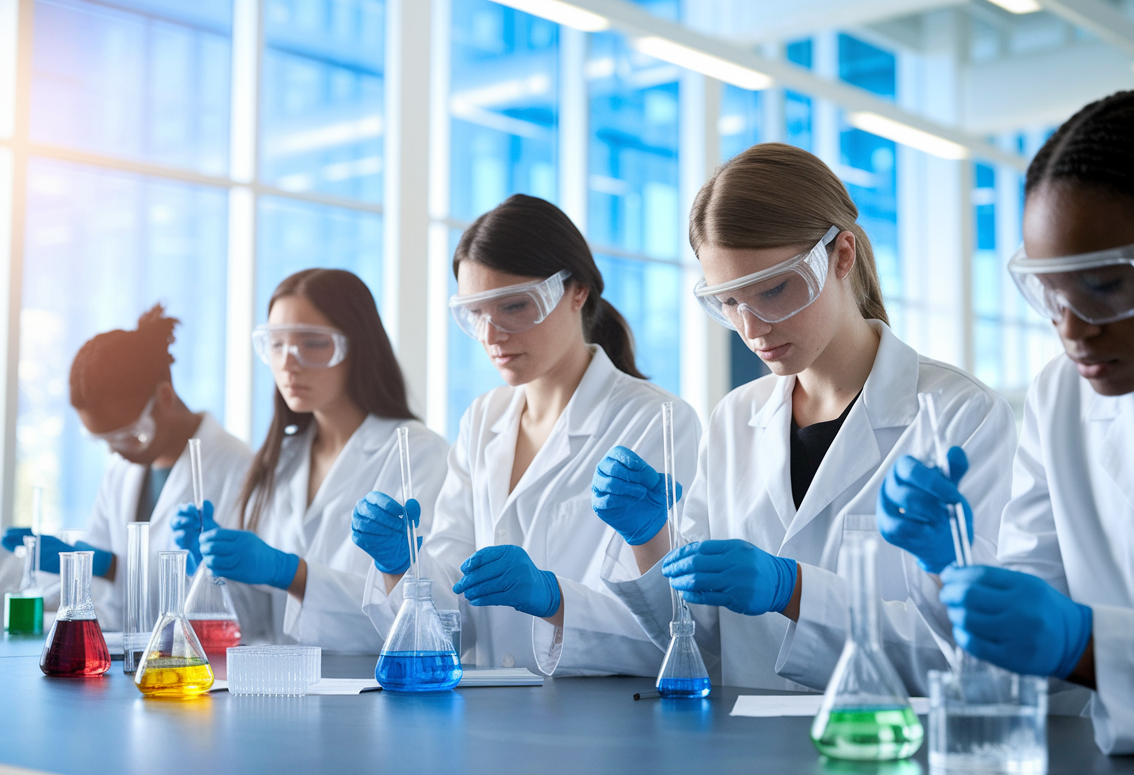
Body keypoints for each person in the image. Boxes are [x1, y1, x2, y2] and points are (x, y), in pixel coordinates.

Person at [888, 90, 1134, 756]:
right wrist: (949, 565)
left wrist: (1089, 645)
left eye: (1104, 284)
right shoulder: (1060, 400)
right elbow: (1034, 650)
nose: (1071, 329)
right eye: (1051, 290)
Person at [591, 143, 1016, 692]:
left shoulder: (961, 415)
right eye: (729, 301)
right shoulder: (734, 418)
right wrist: (650, 539)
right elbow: (701, 639)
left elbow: (975, 650)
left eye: (773, 290)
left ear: (842, 256)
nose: (752, 327)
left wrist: (793, 591)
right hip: (746, 759)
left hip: (885, 755)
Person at [352, 194, 699, 676]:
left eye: (514, 306)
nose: (492, 334)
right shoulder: (482, 418)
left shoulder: (656, 420)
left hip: (605, 723)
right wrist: (402, 567)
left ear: (577, 290)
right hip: (489, 717)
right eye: (475, 313)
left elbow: (673, 628)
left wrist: (552, 599)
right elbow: (456, 609)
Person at [172, 269, 449, 653]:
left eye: (314, 343)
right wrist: (216, 569)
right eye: (277, 345)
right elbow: (263, 623)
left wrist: (291, 573)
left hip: (375, 695)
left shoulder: (418, 453)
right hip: (279, 689)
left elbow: (427, 618)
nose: (289, 363)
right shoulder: (282, 460)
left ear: (358, 349)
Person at [2, 306, 252, 631]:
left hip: (206, 670)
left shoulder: (239, 467)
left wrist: (111, 567)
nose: (114, 450)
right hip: (128, 661)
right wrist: (80, 566)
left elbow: (248, 608)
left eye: (128, 435)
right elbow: (105, 604)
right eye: (104, 440)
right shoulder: (122, 471)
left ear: (164, 395)